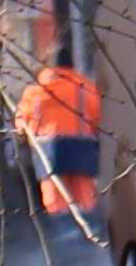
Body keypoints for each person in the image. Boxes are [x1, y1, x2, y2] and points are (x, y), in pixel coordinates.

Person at [14, 58, 103, 222]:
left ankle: (61, 229)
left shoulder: (34, 92)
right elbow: (98, 116)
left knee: (54, 195)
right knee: (84, 193)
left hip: (47, 148)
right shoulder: (86, 88)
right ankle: (88, 230)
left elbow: (21, 123)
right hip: (81, 146)